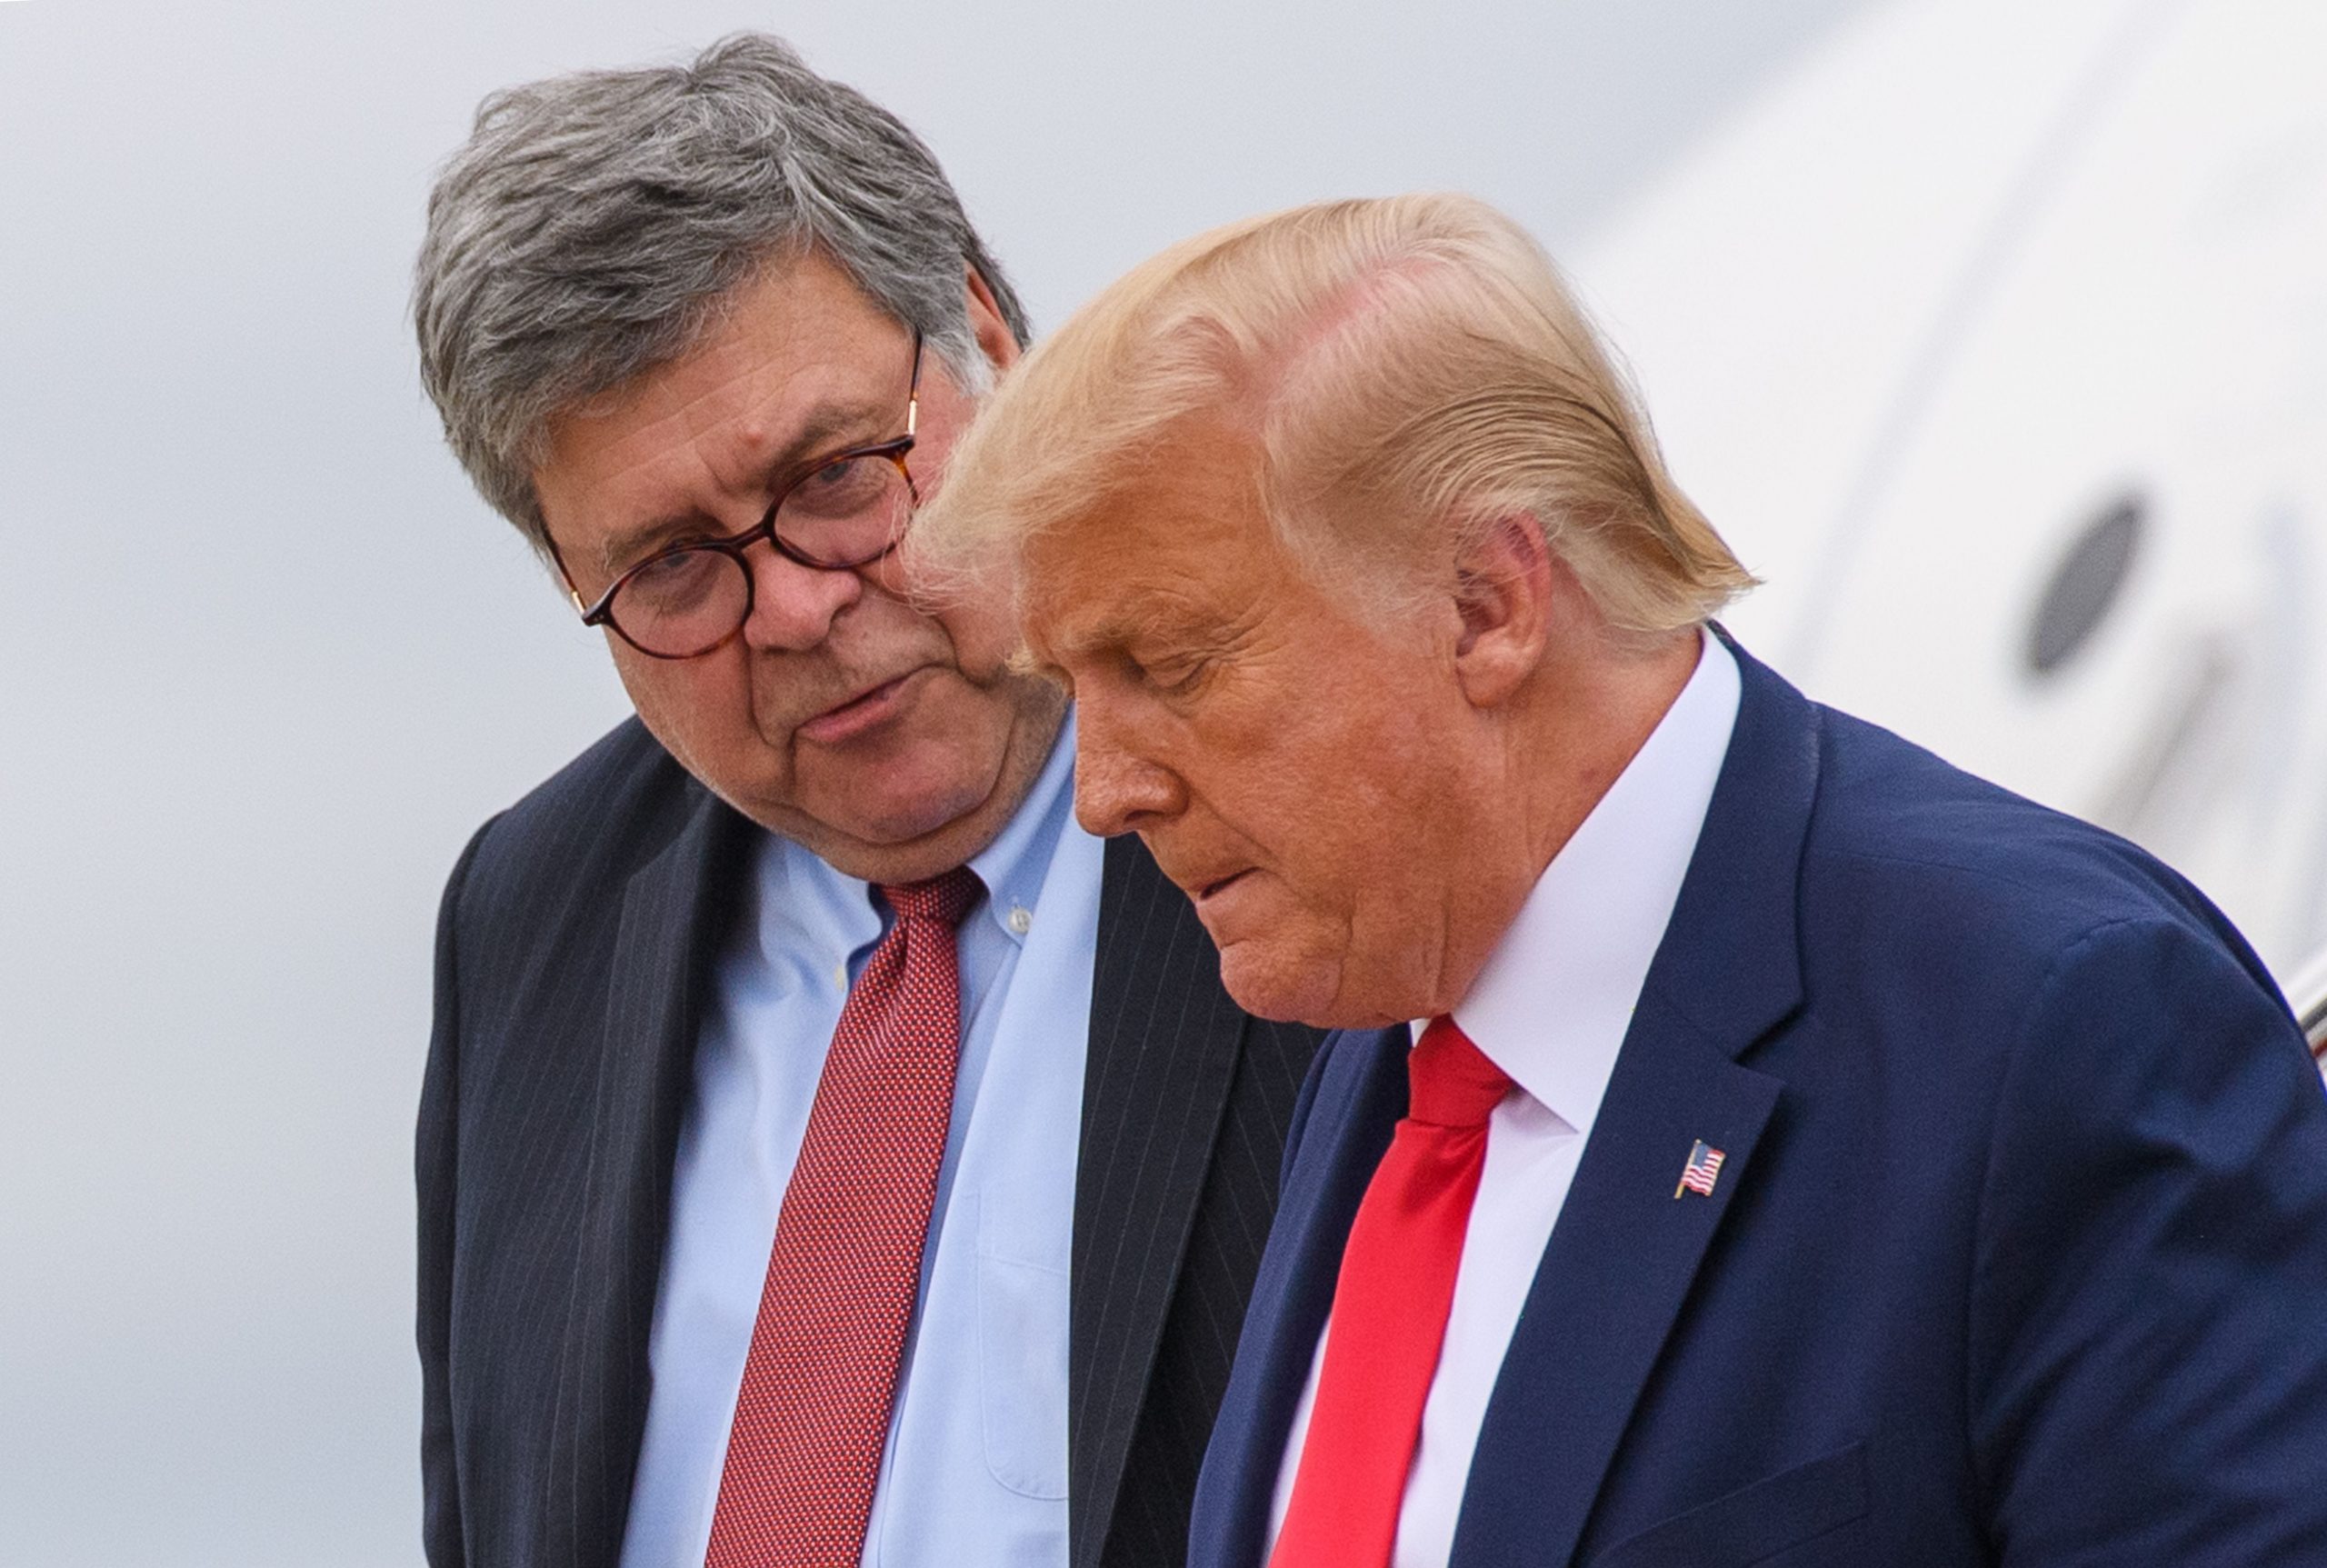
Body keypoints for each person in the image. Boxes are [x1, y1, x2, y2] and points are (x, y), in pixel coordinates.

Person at [905, 193, 2327, 1566]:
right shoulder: (1383, 1044)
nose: (1105, 794)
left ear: (1489, 602)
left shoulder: (2051, 1025)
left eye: (1171, 665)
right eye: (1074, 686)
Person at [409, 35, 1320, 1568]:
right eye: (675, 568)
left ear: (986, 342)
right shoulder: (534, 914)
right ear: (573, 580)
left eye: (837, 477)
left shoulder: (1313, 790)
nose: (793, 610)